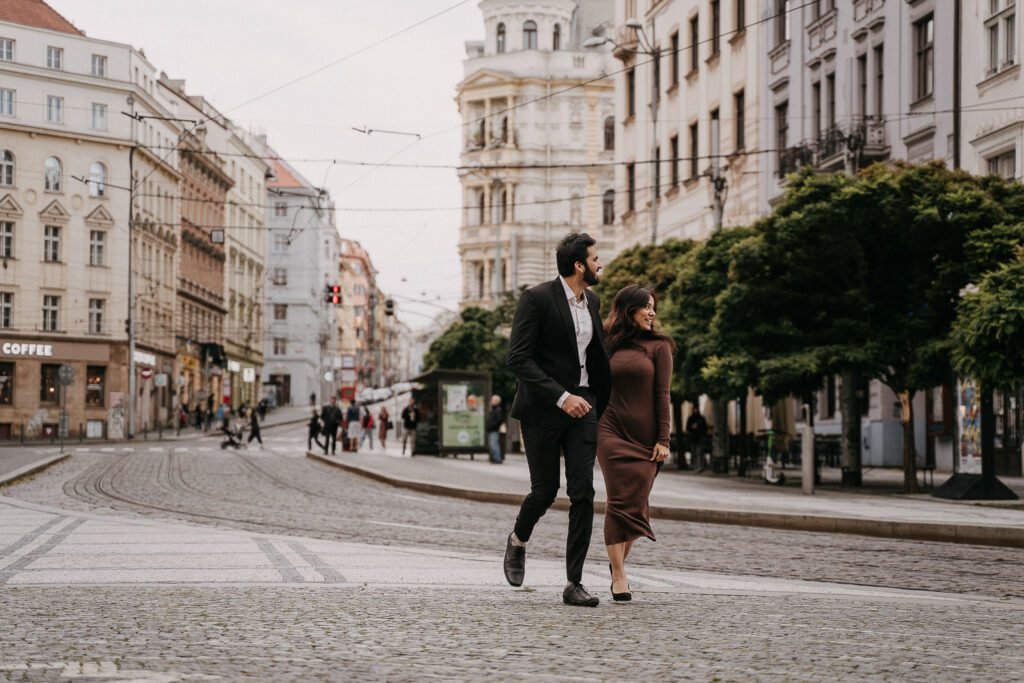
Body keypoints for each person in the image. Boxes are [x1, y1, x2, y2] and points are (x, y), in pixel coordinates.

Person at [502, 232, 611, 608]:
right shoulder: (537, 299)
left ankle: (574, 582)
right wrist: (562, 397)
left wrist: (593, 400)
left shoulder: (592, 301)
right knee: (545, 491)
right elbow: (518, 359)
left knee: (583, 493)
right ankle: (518, 541)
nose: (600, 264)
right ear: (579, 265)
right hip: (545, 409)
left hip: (584, 408)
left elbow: (594, 356)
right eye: (596, 258)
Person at [597, 285, 674, 603]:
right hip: (609, 430)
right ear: (628, 309)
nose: (652, 312)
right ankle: (619, 575)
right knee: (618, 502)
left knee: (635, 505)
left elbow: (662, 395)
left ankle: (618, 564)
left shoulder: (659, 347)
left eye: (654, 307)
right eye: (646, 306)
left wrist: (663, 438)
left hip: (645, 439)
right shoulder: (604, 343)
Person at [486, 395, 506, 464]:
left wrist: (493, 426)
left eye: (492, 400)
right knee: (492, 445)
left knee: (494, 445)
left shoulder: (498, 410)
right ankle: (494, 458)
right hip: (492, 430)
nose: (491, 401)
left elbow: (500, 420)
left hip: (494, 430)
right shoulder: (494, 409)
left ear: (496, 401)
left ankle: (497, 458)